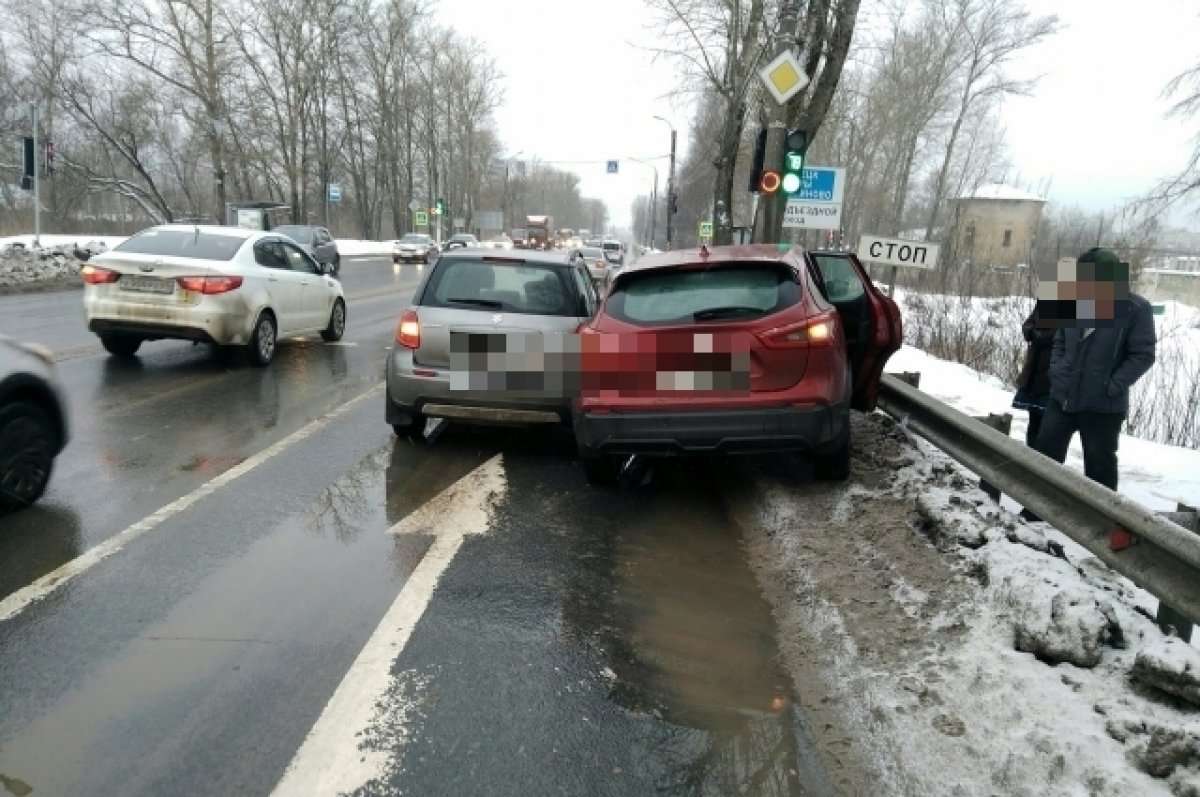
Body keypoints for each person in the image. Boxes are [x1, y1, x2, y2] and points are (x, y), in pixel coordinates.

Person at [1032, 247, 1157, 492]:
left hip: (1103, 406)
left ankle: (1100, 521)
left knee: (1099, 468)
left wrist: (1111, 385)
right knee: (1045, 455)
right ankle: (1036, 510)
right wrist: (1057, 371)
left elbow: (1143, 355)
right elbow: (1060, 339)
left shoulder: (1135, 308)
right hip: (1062, 398)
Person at [1011, 305, 1054, 448]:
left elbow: (1067, 333)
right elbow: (1028, 323)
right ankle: (1032, 459)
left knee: (1048, 424)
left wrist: (1043, 337)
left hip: (1052, 371)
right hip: (1034, 369)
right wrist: (1031, 331)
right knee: (1034, 420)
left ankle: (1042, 463)